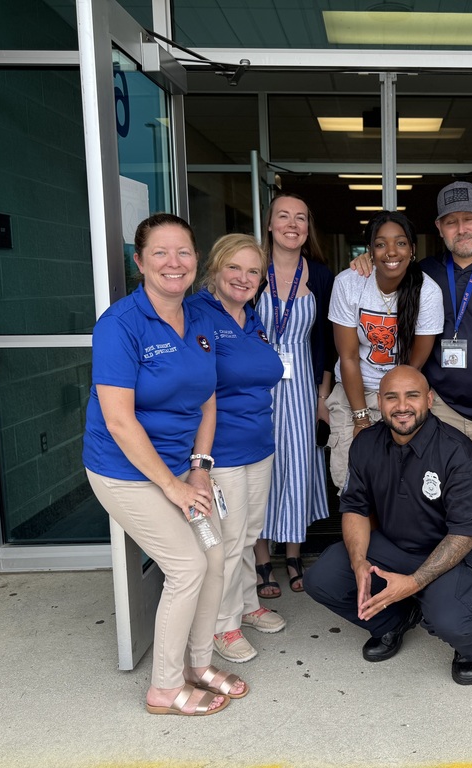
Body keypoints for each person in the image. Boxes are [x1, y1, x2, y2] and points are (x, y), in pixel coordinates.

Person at [349, 181, 472, 628]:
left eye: (469, 219)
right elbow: (381, 276)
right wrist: (364, 259)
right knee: (430, 500)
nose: (462, 229)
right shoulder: (425, 270)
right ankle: (441, 581)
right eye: (451, 222)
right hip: (439, 409)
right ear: (439, 228)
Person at [83, 213, 246, 716]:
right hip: (126, 471)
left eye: (183, 253)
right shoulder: (120, 325)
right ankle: (164, 688)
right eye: (160, 253)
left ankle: (199, 664)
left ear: (197, 261)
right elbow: (119, 421)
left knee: (216, 556)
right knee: (187, 565)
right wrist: (173, 487)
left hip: (183, 469)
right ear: (139, 261)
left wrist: (198, 468)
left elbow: (208, 399)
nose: (173, 263)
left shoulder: (199, 317)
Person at [303, 365, 472, 685]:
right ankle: (393, 621)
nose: (402, 406)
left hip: (449, 553)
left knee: (450, 619)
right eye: (391, 397)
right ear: (379, 401)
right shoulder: (366, 444)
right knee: (322, 578)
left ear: (430, 400)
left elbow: (464, 534)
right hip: (391, 546)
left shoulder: (458, 452)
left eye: (412, 396)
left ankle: (471, 649)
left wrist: (414, 582)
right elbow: (354, 508)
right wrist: (359, 561)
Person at [187, 234, 286, 664]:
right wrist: (198, 461)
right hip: (219, 451)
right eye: (235, 268)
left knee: (247, 534)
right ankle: (220, 626)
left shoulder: (252, 318)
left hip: (258, 445)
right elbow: (194, 385)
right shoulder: (197, 315)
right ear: (215, 268)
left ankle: (247, 605)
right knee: (225, 541)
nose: (243, 278)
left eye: (253, 271)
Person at [253, 194, 335, 599]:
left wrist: (323, 396)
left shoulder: (319, 275)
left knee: (299, 467)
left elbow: (325, 341)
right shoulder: (250, 271)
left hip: (302, 388)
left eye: (300, 218)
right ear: (269, 224)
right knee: (259, 468)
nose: (291, 223)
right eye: (282, 216)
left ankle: (294, 554)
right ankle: (262, 558)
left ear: (308, 228)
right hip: (255, 390)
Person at [326, 210, 444, 491]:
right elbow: (349, 358)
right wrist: (361, 417)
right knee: (352, 483)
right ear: (370, 251)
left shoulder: (427, 291)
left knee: (399, 482)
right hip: (353, 392)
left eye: (401, 243)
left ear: (412, 249)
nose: (391, 252)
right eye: (381, 244)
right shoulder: (349, 283)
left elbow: (413, 367)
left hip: (400, 394)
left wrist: (394, 404)